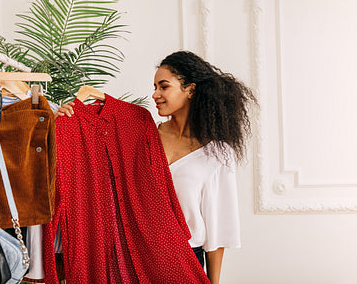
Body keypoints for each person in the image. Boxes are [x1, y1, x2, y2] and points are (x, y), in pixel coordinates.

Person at [57, 50, 257, 283]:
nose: (155, 95)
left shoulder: (217, 154)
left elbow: (218, 232)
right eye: (154, 87)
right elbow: (97, 165)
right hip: (134, 255)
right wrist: (65, 119)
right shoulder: (143, 135)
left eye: (164, 87)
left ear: (190, 90)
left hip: (184, 258)